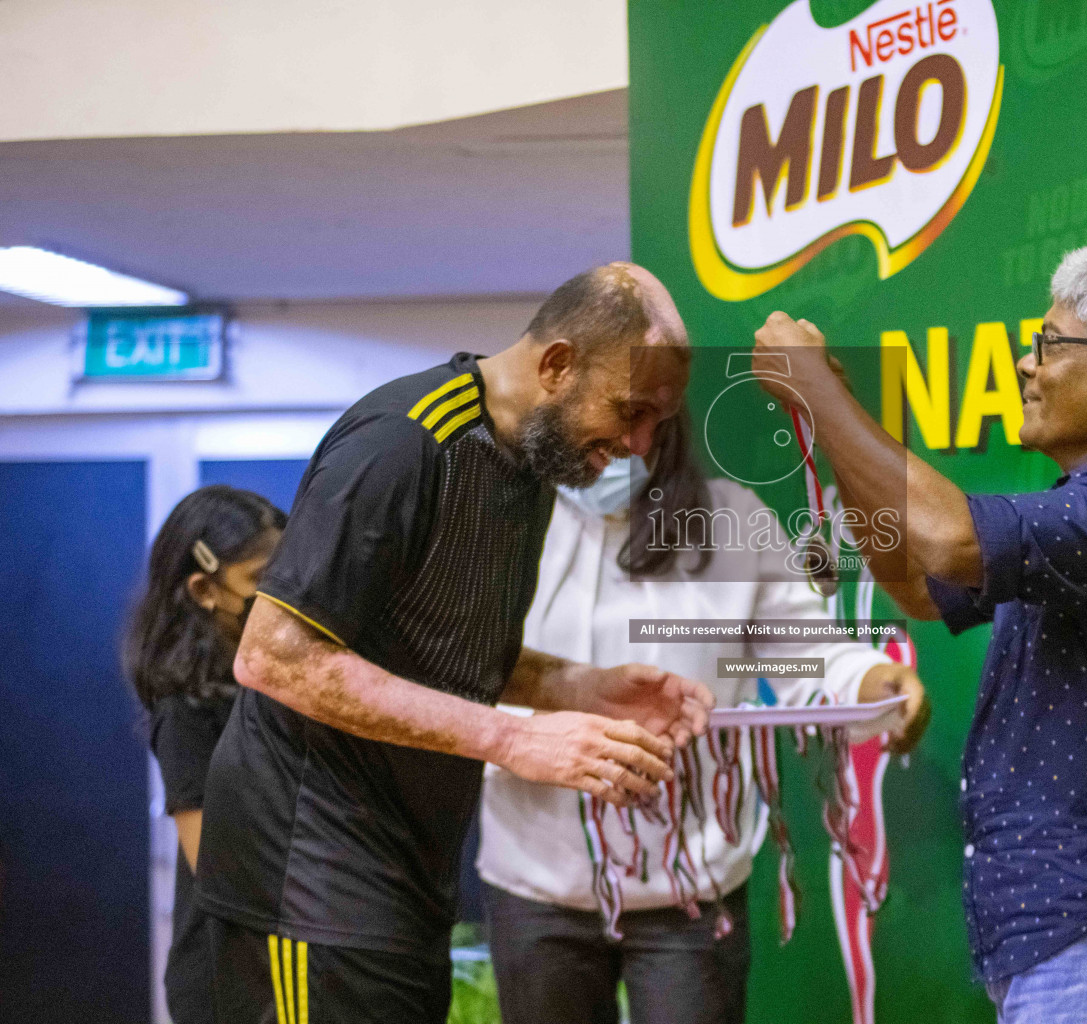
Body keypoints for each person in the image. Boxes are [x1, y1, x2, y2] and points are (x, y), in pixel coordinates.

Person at [195, 263, 715, 1024]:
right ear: (558, 365)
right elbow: (274, 656)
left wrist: (581, 688)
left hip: (404, 879)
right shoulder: (403, 444)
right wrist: (513, 739)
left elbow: (442, 655)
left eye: (656, 425)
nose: (638, 444)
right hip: (306, 880)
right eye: (629, 410)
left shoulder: (534, 463)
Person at [751, 239, 1087, 1023]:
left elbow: (947, 538)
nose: (1026, 364)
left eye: (1049, 344)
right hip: (1067, 936)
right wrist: (829, 418)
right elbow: (912, 583)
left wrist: (821, 393)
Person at [475, 406, 931, 1024]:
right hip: (534, 878)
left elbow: (806, 656)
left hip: (689, 886)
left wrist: (872, 683)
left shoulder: (730, 519)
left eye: (642, 421)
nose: (626, 445)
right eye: (608, 421)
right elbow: (459, 662)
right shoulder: (497, 518)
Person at [123, 486, 286, 1024]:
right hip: (232, 984)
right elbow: (217, 866)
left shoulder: (274, 677)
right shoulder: (186, 710)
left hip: (291, 965)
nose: (283, 597)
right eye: (262, 582)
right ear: (204, 589)